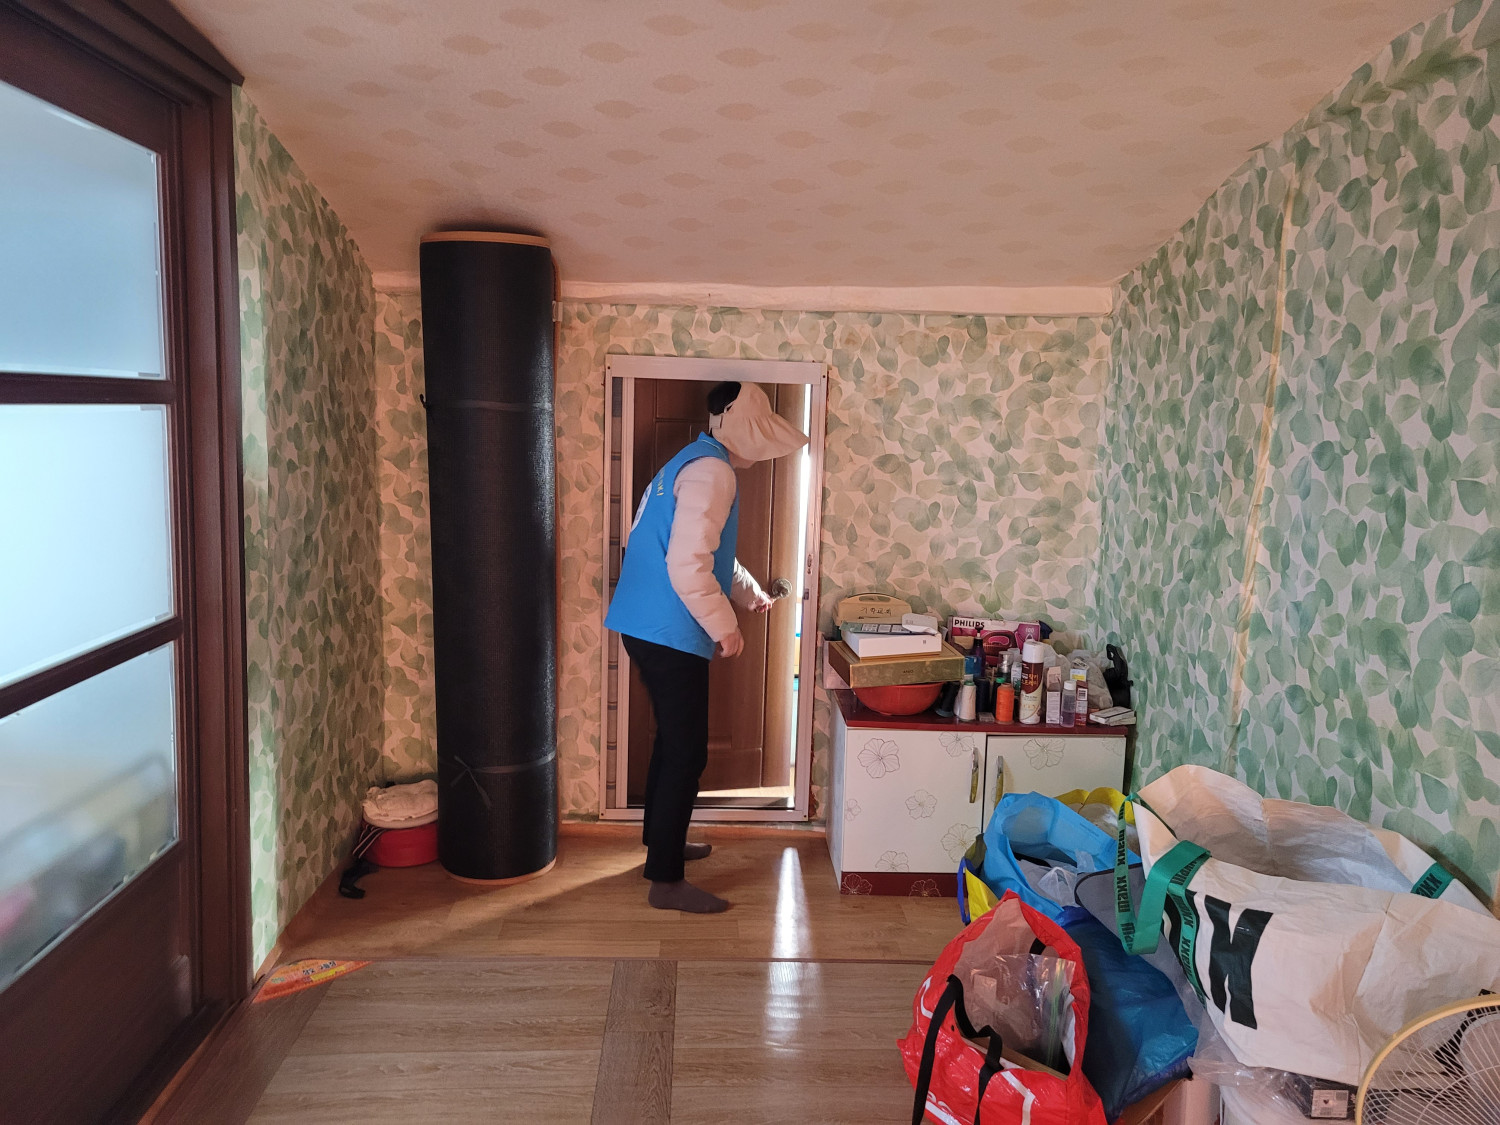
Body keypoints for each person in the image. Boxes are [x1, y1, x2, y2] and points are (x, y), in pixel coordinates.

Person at [604, 381, 808, 913]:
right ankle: (666, 881)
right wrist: (726, 627)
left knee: (675, 743)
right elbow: (687, 563)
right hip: (667, 629)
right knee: (686, 751)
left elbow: (704, 552)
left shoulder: (693, 462)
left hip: (647, 623)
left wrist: (749, 593)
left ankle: (661, 847)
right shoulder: (713, 472)